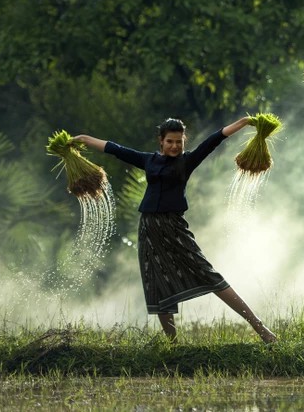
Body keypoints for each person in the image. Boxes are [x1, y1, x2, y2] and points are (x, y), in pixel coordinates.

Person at [74, 117, 276, 344]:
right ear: (161, 141)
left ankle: (262, 329)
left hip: (174, 227)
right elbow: (115, 149)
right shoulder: (149, 160)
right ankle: (173, 345)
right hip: (149, 228)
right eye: (170, 141)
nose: (174, 146)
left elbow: (215, 139)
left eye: (179, 142)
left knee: (208, 274)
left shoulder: (187, 161)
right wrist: (82, 139)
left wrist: (244, 122)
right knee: (156, 282)